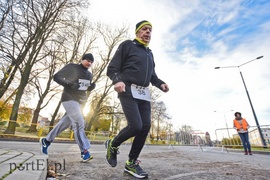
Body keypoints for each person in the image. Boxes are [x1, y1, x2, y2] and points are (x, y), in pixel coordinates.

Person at [106, 20, 169, 179]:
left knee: (145, 126)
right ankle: (113, 145)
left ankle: (131, 163)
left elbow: (152, 76)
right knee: (135, 126)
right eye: (144, 29)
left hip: (143, 93)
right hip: (127, 88)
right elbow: (112, 68)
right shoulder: (128, 45)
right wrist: (117, 80)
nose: (148, 32)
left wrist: (160, 83)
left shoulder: (149, 53)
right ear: (137, 32)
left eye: (150, 30)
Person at [40, 53, 96, 162]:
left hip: (80, 102)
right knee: (79, 123)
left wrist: (91, 87)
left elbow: (84, 87)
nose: (89, 63)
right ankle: (84, 151)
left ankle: (46, 141)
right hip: (69, 98)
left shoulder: (89, 74)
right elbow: (56, 77)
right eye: (87, 60)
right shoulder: (72, 67)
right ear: (82, 59)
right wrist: (69, 84)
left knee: (64, 123)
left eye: (91, 62)